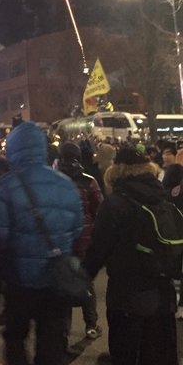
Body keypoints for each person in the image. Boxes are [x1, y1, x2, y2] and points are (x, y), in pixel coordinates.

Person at [0, 121, 83, 365]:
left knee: (15, 336)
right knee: (51, 338)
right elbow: (76, 229)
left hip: (19, 280)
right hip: (55, 279)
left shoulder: (6, 186)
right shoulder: (66, 185)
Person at [85, 147, 182, 365]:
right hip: (163, 297)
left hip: (127, 298)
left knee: (126, 363)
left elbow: (98, 249)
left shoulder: (115, 203)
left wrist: (81, 279)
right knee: (161, 364)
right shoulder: (162, 197)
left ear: (116, 172)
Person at [57, 142, 103, 339]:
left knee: (64, 283)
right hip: (84, 241)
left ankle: (64, 332)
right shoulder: (89, 181)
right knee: (86, 282)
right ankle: (91, 325)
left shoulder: (54, 180)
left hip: (62, 240)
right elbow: (98, 210)